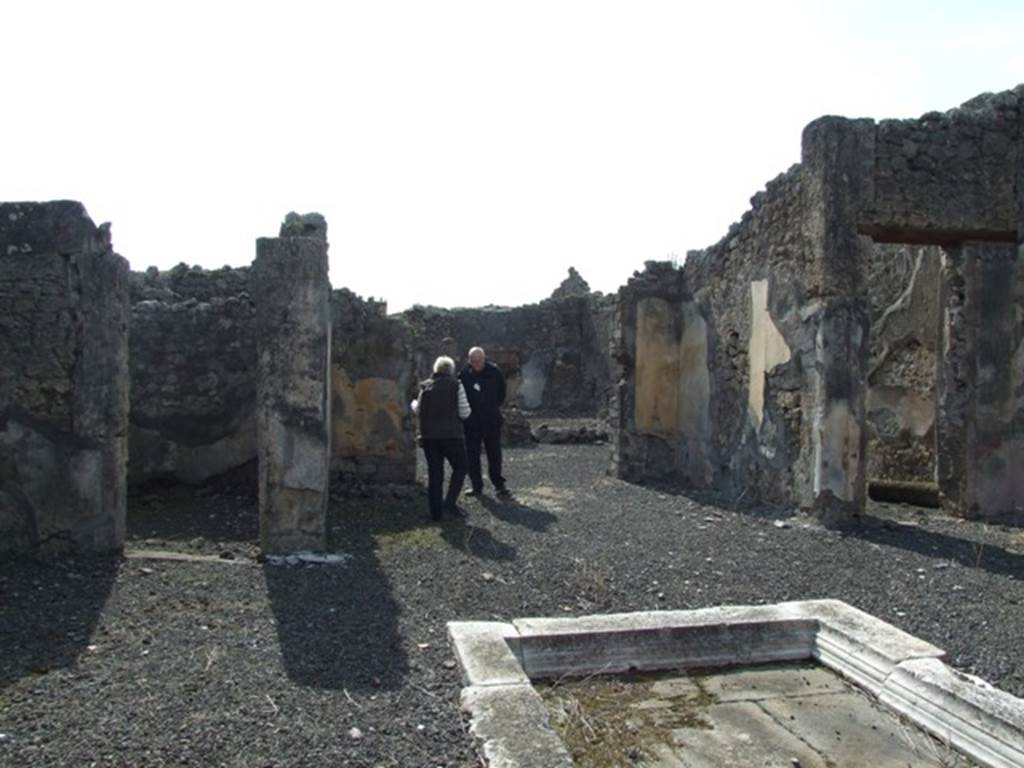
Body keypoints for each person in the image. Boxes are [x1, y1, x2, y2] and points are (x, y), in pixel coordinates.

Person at [411, 356, 472, 521]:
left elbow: (418, 410)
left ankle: (436, 513)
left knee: (435, 474)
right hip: (452, 436)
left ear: (436, 369)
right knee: (461, 467)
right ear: (451, 370)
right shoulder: (456, 385)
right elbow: (465, 412)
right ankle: (449, 503)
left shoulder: (425, 386)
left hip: (429, 437)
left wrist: (413, 404)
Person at [459, 346, 509, 497]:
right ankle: (476, 486)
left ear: (484, 358)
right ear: (469, 360)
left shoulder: (495, 372)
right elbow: (460, 395)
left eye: (479, 360)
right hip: (472, 421)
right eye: (473, 361)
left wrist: (491, 406)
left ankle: (499, 484)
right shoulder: (464, 374)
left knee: (494, 454)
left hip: (491, 419)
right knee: (472, 455)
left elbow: (502, 393)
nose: (476, 364)